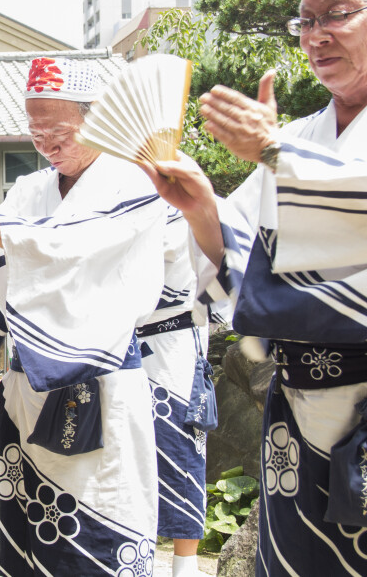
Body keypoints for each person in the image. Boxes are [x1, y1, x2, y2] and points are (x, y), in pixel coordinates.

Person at [141, 0, 367, 576]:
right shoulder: (297, 141)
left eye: (337, 14)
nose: (316, 36)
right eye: (306, 20)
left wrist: (273, 154)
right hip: (294, 408)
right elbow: (239, 263)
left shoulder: (286, 150)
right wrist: (202, 209)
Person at [0, 56, 167, 575]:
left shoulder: (134, 183)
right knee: (17, 539)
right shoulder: (29, 191)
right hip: (26, 387)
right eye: (35, 131)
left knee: (97, 529)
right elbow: (7, 281)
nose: (45, 143)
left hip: (99, 388)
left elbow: (77, 250)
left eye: (58, 130)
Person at [136, 206, 212, 577]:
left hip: (174, 343)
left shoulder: (183, 210)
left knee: (180, 445)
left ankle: (186, 562)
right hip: (128, 343)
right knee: (130, 450)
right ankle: (138, 548)